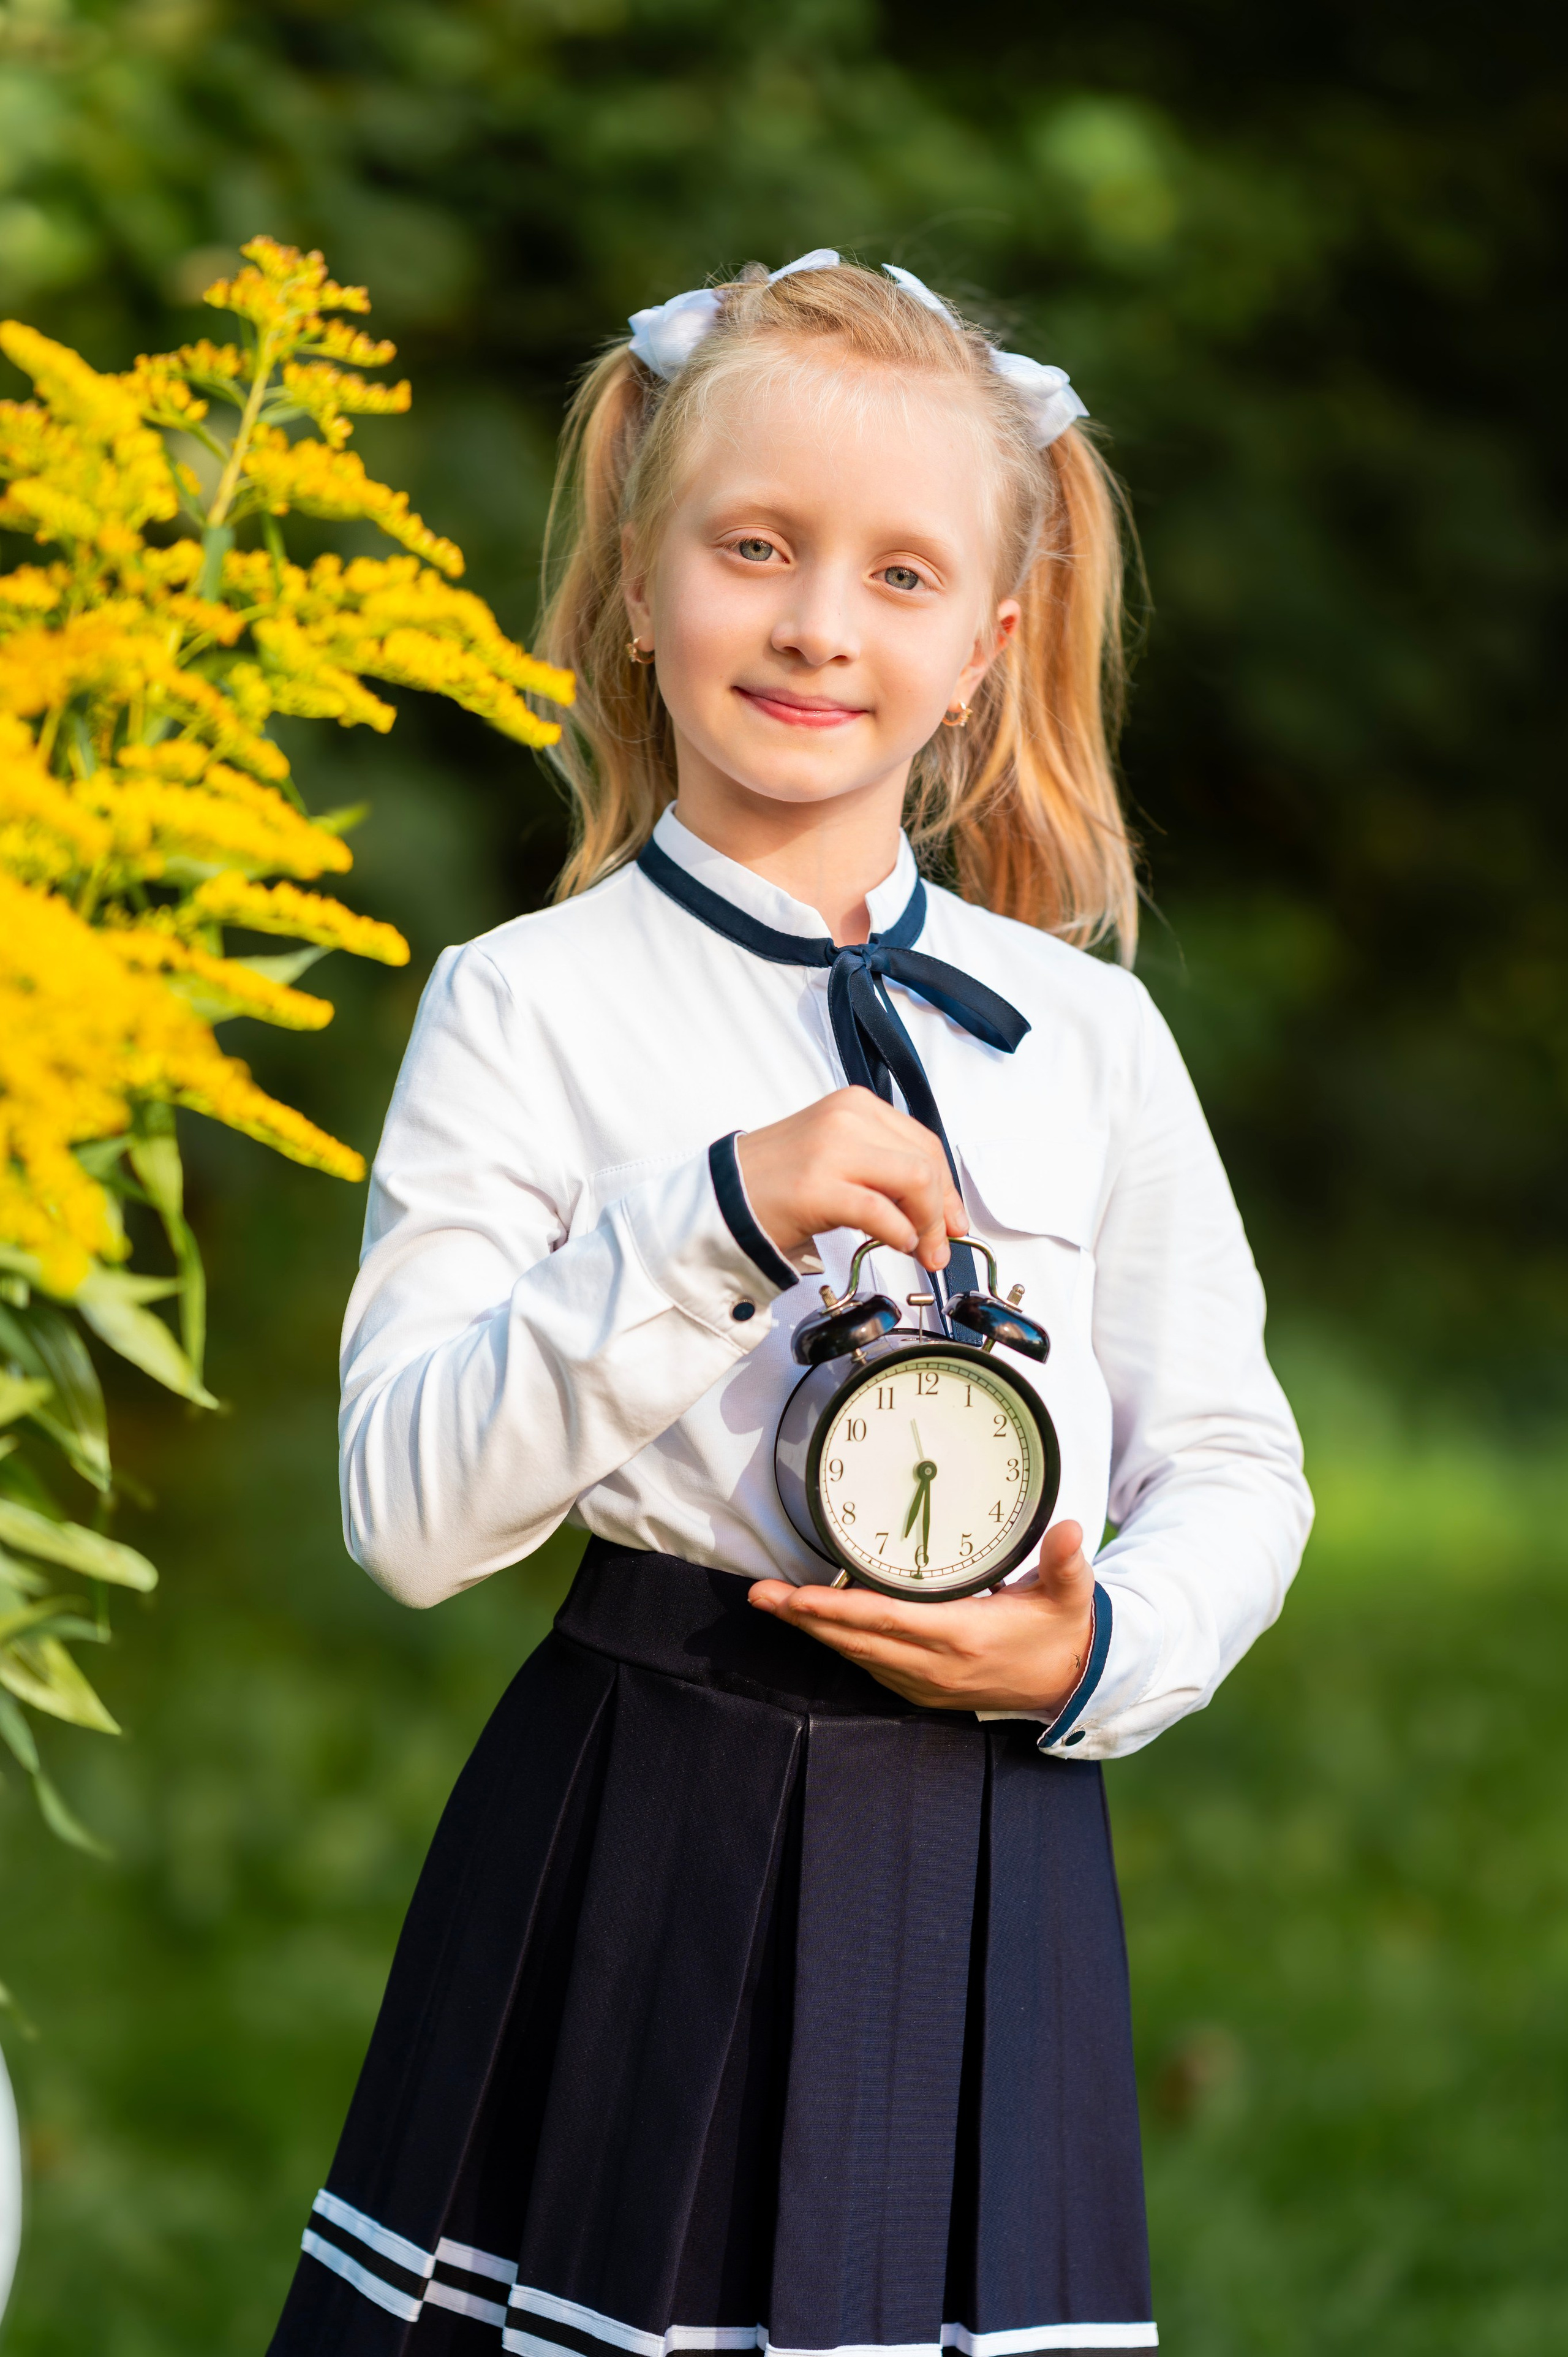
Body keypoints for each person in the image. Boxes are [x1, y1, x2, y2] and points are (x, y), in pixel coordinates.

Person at [268, 251, 1311, 2357]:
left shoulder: (1086, 1040)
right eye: (756, 549)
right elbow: (403, 1509)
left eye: (900, 575)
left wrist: (1092, 1641)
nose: (821, 622)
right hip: (634, 1829)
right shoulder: (523, 1008)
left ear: (987, 644)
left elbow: (1232, 1462)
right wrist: (716, 1219)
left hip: (991, 1832)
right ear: (641, 583)